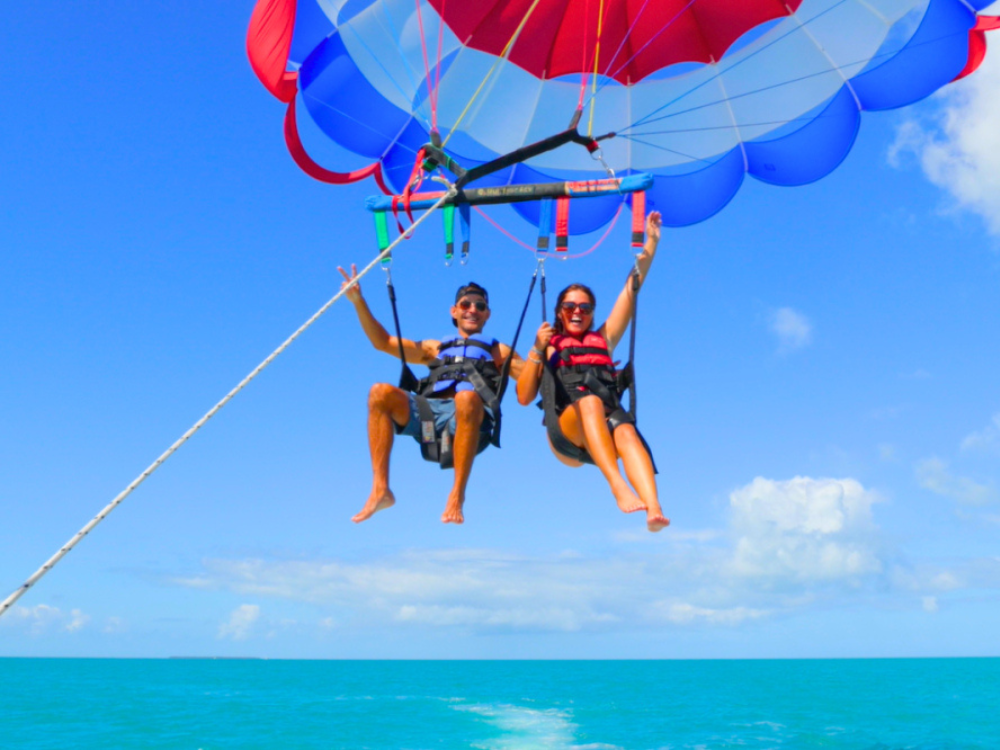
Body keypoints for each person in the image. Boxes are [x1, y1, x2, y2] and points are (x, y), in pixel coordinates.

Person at [516, 211, 669, 532]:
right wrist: (536, 349)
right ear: (559, 312)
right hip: (567, 435)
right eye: (570, 307)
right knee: (589, 402)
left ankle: (654, 509)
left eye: (584, 308)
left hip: (606, 428)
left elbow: (631, 291)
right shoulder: (550, 344)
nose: (577, 312)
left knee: (626, 430)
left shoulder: (603, 339)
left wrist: (651, 245)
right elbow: (523, 397)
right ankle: (617, 486)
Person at [338, 266, 524, 525]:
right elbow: (382, 342)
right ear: (454, 311)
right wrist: (358, 302)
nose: (472, 309)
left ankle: (457, 494)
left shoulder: (499, 351)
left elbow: (530, 380)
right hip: (428, 423)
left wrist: (541, 350)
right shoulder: (433, 348)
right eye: (466, 304)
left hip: (469, 421)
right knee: (379, 392)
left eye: (480, 306)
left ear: (487, 314)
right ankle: (380, 489)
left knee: (466, 397)